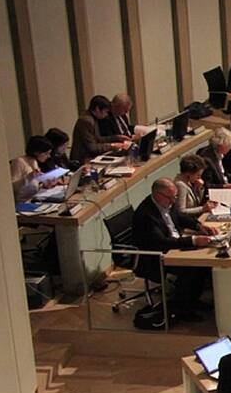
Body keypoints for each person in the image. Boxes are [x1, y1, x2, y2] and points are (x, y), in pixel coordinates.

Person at [132, 178, 214, 317]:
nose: (173, 201)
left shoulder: (166, 202)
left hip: (174, 244)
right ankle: (183, 309)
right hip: (155, 255)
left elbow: (180, 217)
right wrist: (193, 240)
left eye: (174, 197)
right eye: (170, 198)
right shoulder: (146, 215)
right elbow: (162, 242)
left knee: (204, 263)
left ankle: (192, 301)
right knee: (192, 267)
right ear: (157, 195)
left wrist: (199, 226)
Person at [71, 95, 130, 163]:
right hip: (83, 160)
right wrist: (112, 145)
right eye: (105, 112)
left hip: (90, 157)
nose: (107, 115)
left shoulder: (93, 118)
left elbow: (98, 139)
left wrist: (117, 137)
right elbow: (92, 148)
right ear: (97, 109)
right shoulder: (86, 121)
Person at [11, 136, 55, 202]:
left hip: (34, 199)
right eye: (46, 153)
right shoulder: (19, 161)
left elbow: (33, 186)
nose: (49, 156)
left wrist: (46, 184)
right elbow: (13, 187)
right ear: (36, 152)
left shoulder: (34, 161)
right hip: (22, 202)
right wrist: (29, 176)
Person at [172, 155, 214, 220]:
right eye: (198, 175)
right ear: (188, 174)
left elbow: (197, 202)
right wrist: (203, 208)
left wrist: (199, 188)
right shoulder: (180, 185)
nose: (199, 178)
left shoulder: (188, 181)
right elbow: (181, 211)